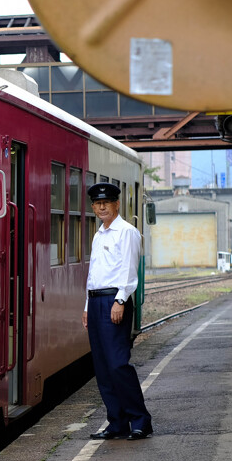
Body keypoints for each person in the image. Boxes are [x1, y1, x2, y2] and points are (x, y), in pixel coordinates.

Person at [82, 182, 153, 441]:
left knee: (118, 363)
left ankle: (140, 420)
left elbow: (129, 270)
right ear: (93, 207)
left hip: (114, 300)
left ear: (117, 204)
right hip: (96, 302)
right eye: (97, 204)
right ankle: (117, 422)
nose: (101, 207)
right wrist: (87, 306)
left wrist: (120, 300)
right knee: (102, 367)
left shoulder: (127, 232)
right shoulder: (99, 235)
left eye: (106, 203)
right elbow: (94, 273)